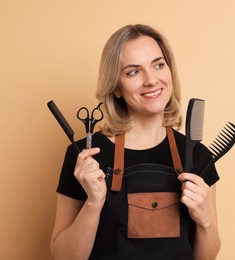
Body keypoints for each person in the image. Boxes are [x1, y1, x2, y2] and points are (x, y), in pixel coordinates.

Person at [50, 24, 221, 260]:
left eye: (158, 65)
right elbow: (64, 257)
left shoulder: (197, 155)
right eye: (133, 72)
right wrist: (94, 202)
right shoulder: (86, 156)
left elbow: (206, 257)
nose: (151, 80)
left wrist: (206, 220)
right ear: (116, 88)